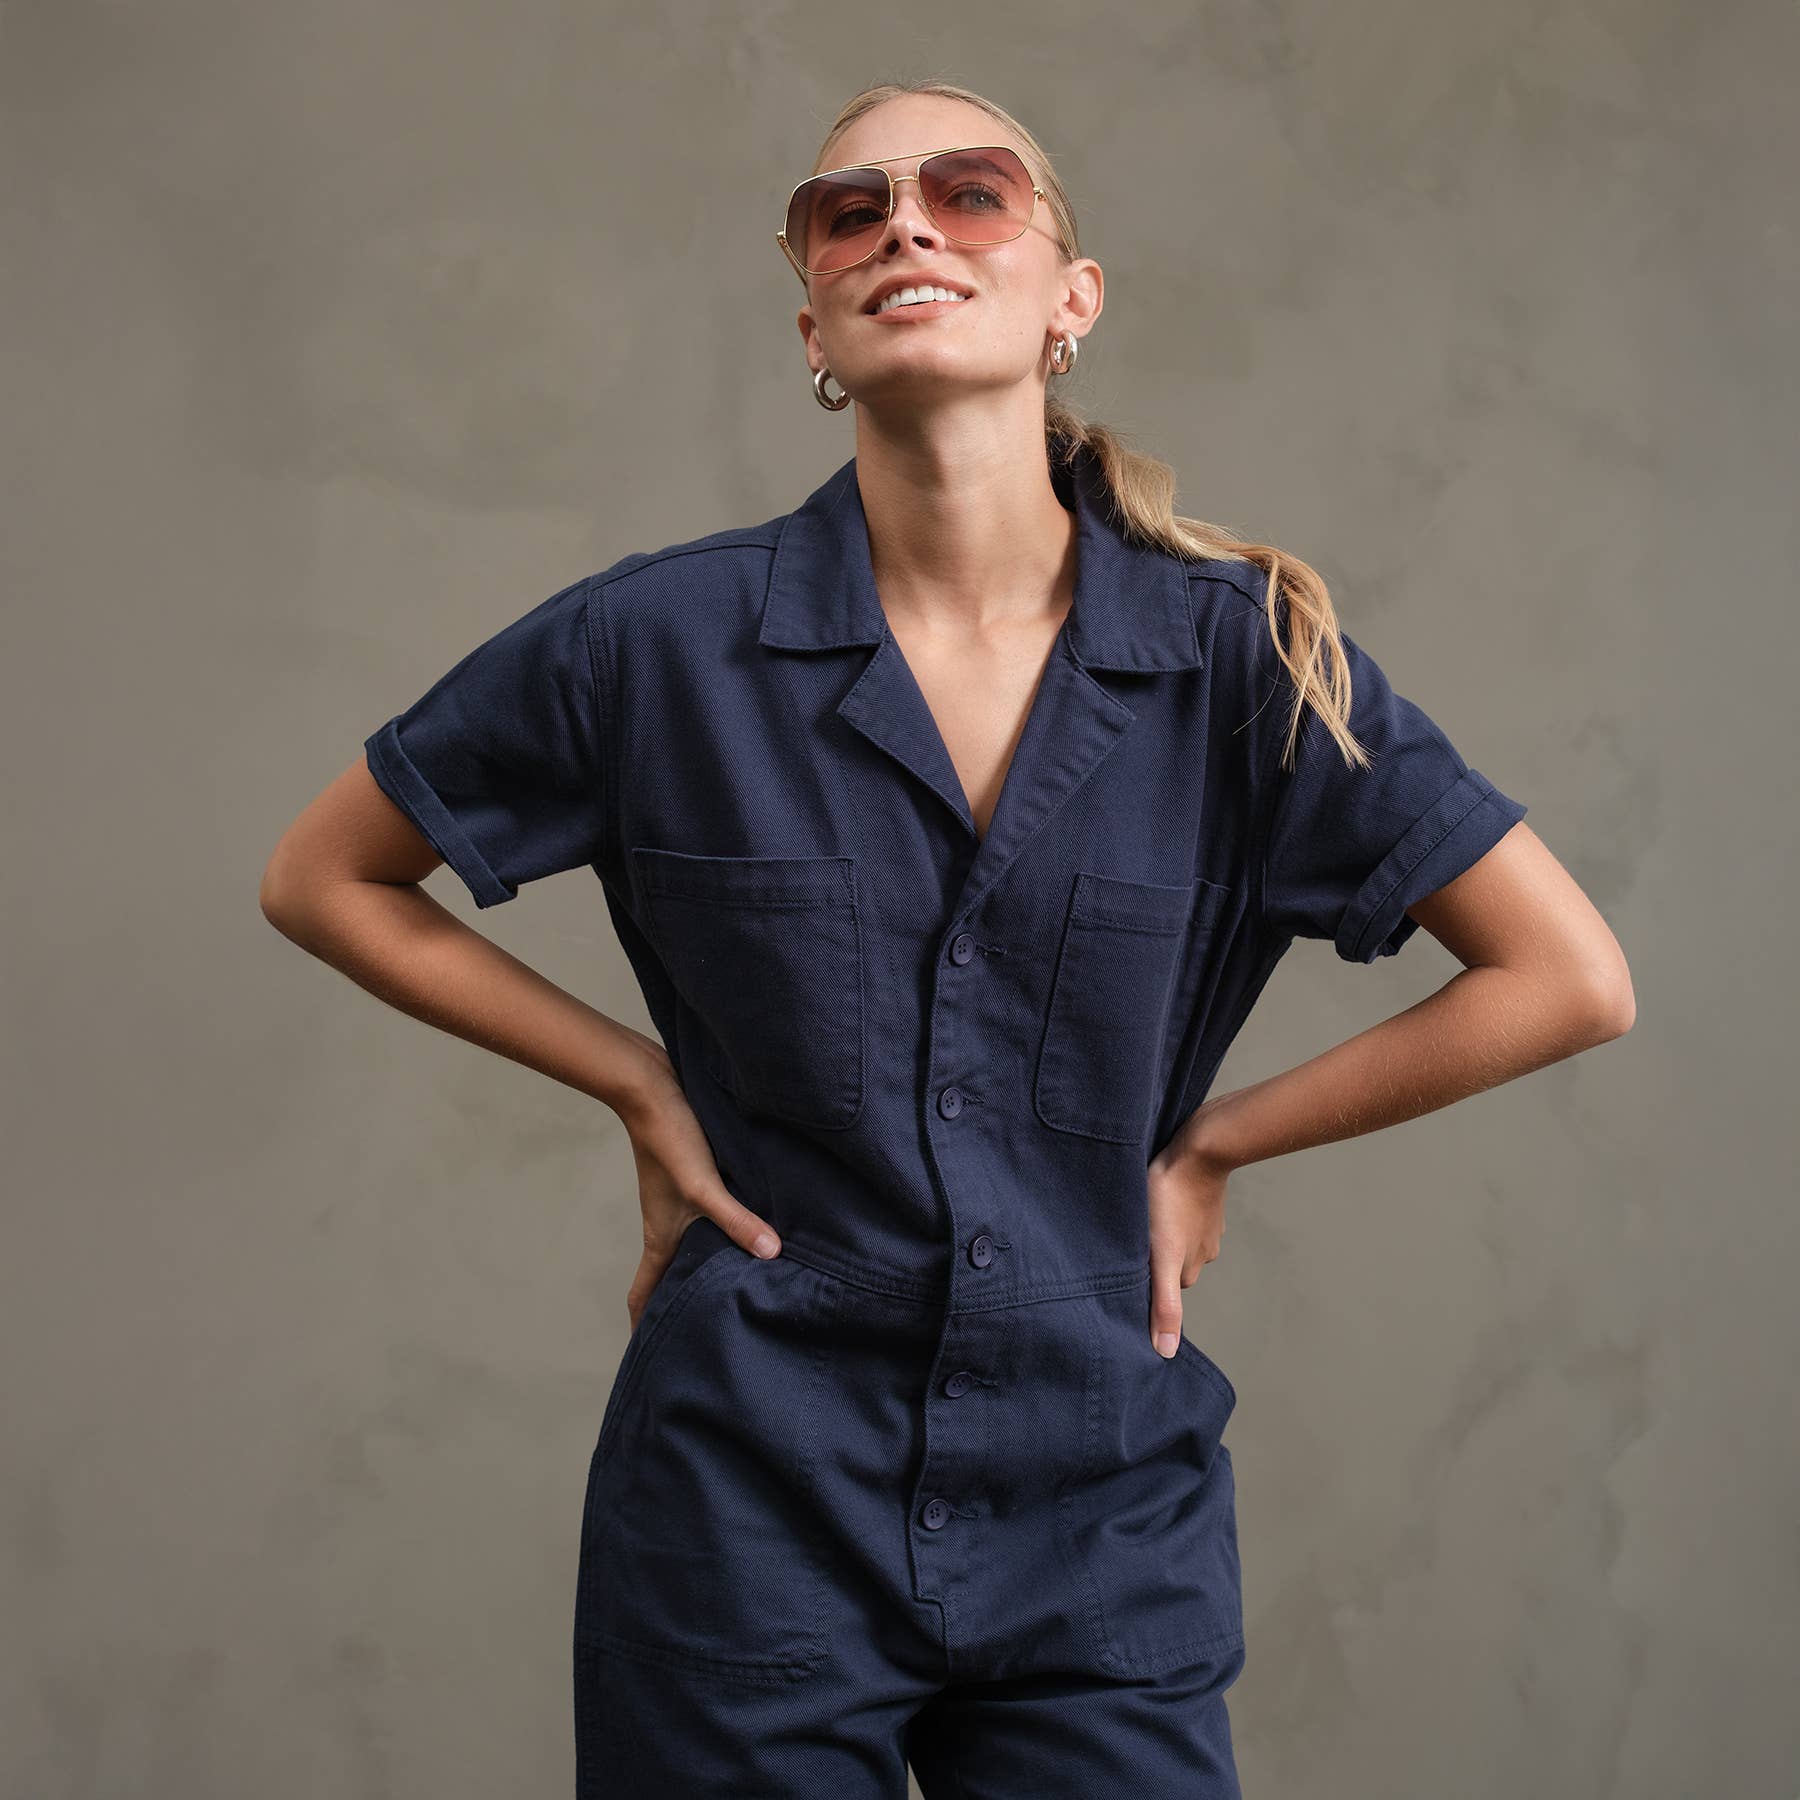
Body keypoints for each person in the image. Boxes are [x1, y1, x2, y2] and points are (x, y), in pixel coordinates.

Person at [260, 78, 1635, 1800]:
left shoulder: (1243, 668)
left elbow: (1571, 977)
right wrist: (630, 1078)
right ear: (815, 319)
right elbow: (323, 876)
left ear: (1074, 297)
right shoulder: (651, 645)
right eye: (852, 208)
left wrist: (1214, 1145)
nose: (906, 222)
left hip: (1099, 1516)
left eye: (971, 192)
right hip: (746, 1507)